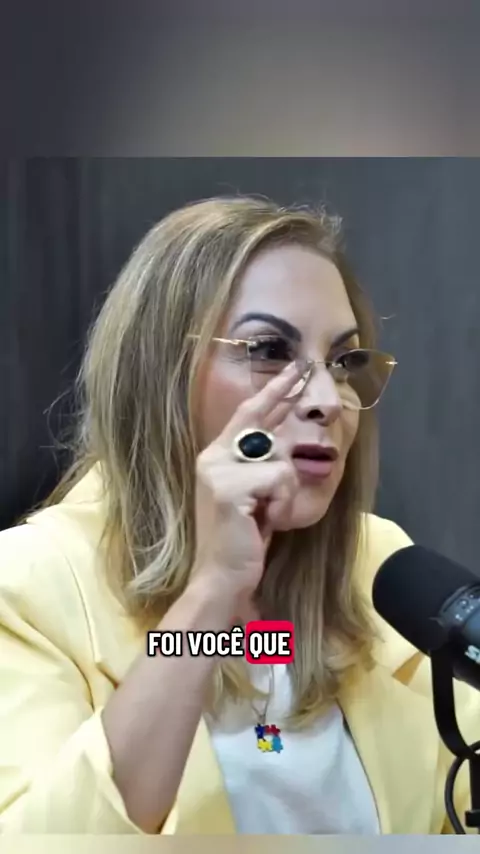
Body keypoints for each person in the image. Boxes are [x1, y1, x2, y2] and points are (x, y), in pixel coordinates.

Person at [0, 196, 477, 836]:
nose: (326, 399)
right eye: (269, 350)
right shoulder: (29, 584)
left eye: (343, 362)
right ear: (161, 375)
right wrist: (213, 590)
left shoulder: (378, 564)